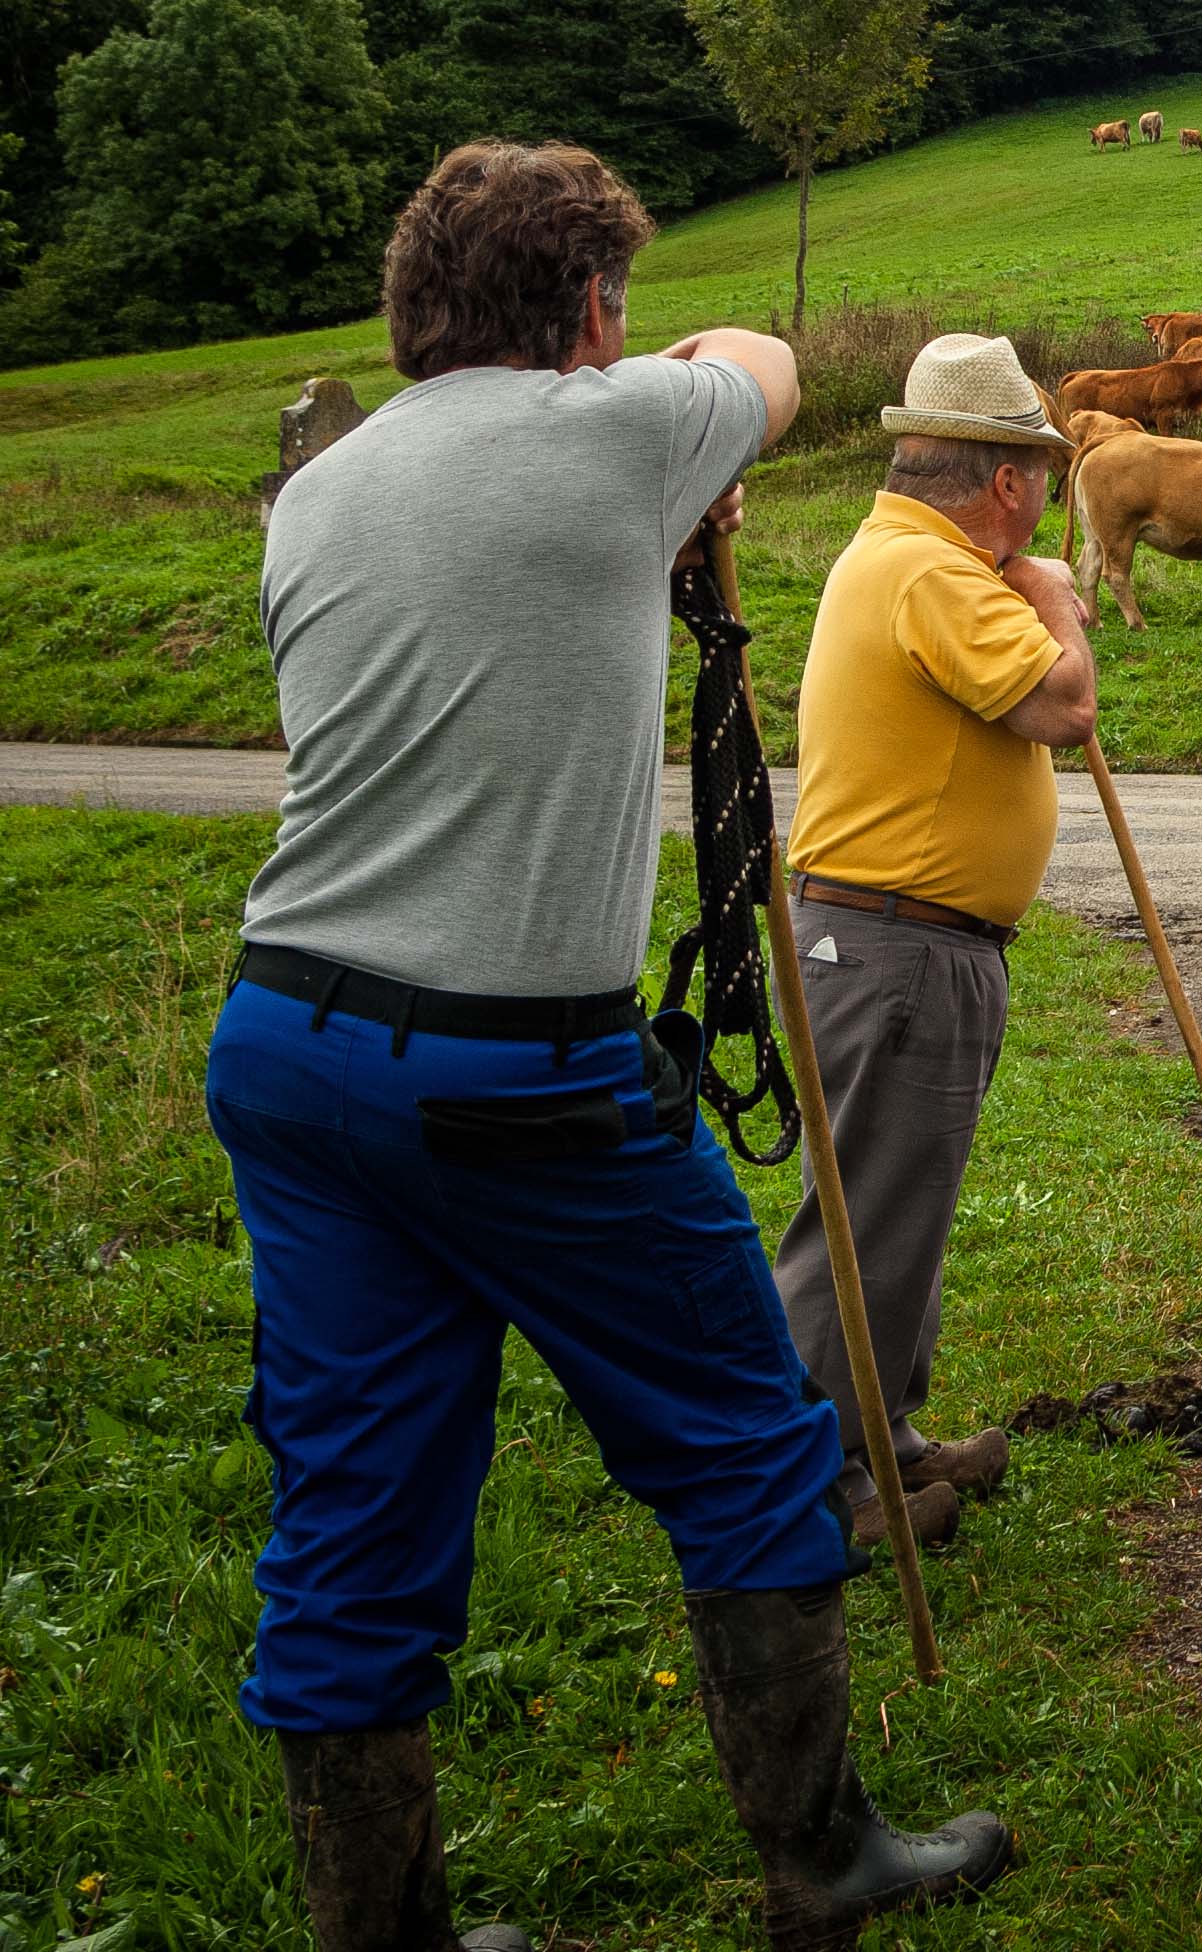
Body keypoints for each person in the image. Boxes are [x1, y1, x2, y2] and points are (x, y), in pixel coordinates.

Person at [211, 141, 1014, 1951]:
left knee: (353, 1497)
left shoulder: (318, 495)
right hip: (517, 1064)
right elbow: (772, 359)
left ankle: (384, 1934)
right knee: (743, 1430)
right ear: (590, 309)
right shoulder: (611, 428)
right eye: (619, 303)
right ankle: (822, 1859)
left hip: (288, 1041)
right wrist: (656, 434)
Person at [775, 334, 1094, 1551]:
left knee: (892, 1205)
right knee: (859, 1222)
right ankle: (811, 1488)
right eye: (1044, 477)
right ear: (1007, 480)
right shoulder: (934, 573)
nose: (1047, 502)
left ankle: (881, 1438)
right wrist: (1057, 600)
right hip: (896, 947)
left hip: (903, 943)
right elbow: (1062, 704)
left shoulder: (906, 558)